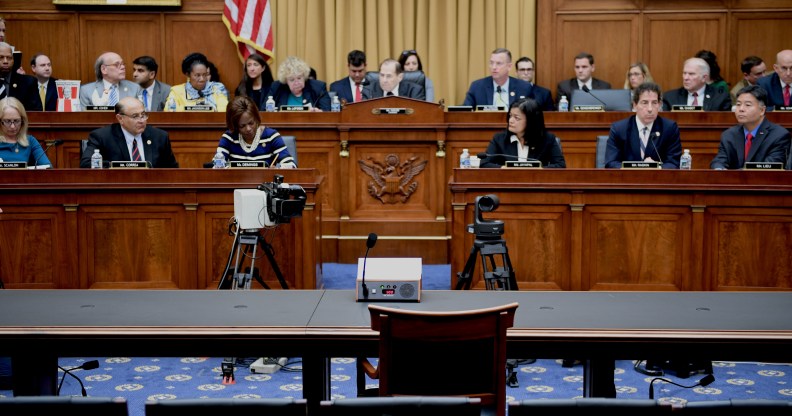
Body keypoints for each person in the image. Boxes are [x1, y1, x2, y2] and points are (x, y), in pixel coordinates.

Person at [79, 96, 178, 168]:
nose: (141, 120)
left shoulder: (159, 137)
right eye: (135, 116)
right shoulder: (102, 137)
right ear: (120, 118)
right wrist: (118, 166)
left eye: (143, 115)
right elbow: (86, 164)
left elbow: (172, 170)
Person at [710, 85, 791, 170]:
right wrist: (719, 169)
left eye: (747, 105)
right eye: (738, 104)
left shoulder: (778, 135)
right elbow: (719, 160)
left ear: (762, 110)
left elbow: (769, 168)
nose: (741, 109)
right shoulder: (729, 135)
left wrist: (731, 174)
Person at [604, 82, 682, 169]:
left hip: (657, 177)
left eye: (654, 103)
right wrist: (635, 169)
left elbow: (674, 163)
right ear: (635, 105)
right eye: (644, 103)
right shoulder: (619, 129)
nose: (650, 109)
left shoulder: (669, 128)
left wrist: (657, 167)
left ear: (659, 105)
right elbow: (611, 163)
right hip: (627, 177)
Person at [480, 97, 565, 168]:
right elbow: (484, 163)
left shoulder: (547, 139)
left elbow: (560, 165)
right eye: (510, 116)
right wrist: (504, 168)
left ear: (531, 121)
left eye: (516, 118)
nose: (510, 121)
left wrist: (539, 170)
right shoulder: (499, 139)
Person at [216, 95, 296, 168]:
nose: (248, 129)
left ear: (256, 118)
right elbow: (215, 166)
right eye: (242, 126)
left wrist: (276, 170)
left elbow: (291, 165)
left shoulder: (271, 136)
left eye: (251, 123)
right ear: (235, 126)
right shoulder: (229, 137)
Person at [463, 48, 552, 111]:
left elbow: (531, 114)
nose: (494, 67)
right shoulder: (477, 87)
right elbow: (465, 113)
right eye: (491, 63)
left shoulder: (524, 88)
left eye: (498, 63)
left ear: (509, 66)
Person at [164, 52, 229, 112]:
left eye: (205, 74)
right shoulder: (176, 91)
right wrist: (206, 109)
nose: (202, 79)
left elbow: (224, 111)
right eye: (197, 75)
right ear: (188, 75)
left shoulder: (217, 89)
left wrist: (187, 108)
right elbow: (170, 111)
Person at [662, 57, 731, 111]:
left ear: (704, 78)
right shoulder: (670, 97)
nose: (686, 78)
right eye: (684, 73)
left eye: (691, 74)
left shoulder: (720, 97)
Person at [0, 97, 50, 166]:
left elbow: (47, 167)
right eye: (7, 121)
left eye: (16, 121)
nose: (13, 126)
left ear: (23, 121)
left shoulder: (30, 141)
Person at [0, 42, 40, 111]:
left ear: (13, 60)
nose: (5, 61)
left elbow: (36, 113)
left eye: (9, 58)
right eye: (1, 57)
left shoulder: (28, 83)